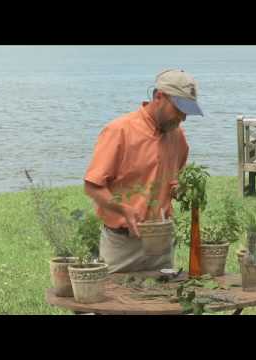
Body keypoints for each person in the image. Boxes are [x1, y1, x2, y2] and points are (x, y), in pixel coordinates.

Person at [84, 69, 204, 273]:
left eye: (187, 112)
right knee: (115, 301)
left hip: (162, 246)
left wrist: (180, 190)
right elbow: (93, 186)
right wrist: (124, 209)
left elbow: (175, 181)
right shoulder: (119, 131)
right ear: (159, 97)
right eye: (179, 109)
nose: (183, 118)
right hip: (121, 246)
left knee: (163, 301)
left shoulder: (178, 137)